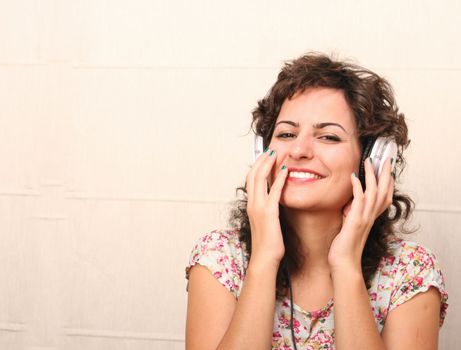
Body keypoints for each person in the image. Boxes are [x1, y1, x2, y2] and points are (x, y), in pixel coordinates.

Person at [184, 53, 448, 349]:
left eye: (328, 137)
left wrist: (346, 265)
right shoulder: (220, 258)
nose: (299, 150)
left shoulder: (410, 271)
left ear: (371, 161)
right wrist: (264, 259)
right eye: (286, 133)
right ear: (261, 155)